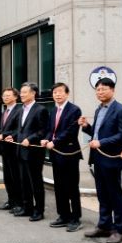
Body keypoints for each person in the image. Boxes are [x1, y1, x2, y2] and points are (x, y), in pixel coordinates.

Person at [79, 77, 122, 243]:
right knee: (102, 194)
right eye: (98, 89)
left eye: (103, 89)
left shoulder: (121, 110)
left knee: (115, 195)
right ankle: (104, 226)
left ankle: (118, 230)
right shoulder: (99, 109)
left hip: (112, 159)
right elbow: (97, 133)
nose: (100, 92)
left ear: (112, 90)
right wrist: (86, 127)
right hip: (98, 158)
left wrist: (102, 142)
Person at [41, 83, 83, 232]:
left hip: (69, 153)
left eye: (60, 92)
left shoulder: (74, 110)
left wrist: (55, 142)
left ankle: (75, 218)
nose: (57, 95)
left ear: (67, 93)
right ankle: (63, 215)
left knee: (71, 186)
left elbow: (71, 131)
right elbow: (50, 130)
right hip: (55, 153)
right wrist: (46, 139)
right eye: (55, 92)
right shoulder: (53, 110)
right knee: (59, 186)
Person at [8, 82, 48, 222]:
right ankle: (27, 207)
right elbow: (19, 130)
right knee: (24, 181)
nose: (22, 95)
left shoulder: (41, 110)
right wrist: (12, 136)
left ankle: (39, 210)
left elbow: (43, 131)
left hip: (34, 152)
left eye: (25, 92)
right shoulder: (21, 110)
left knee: (35, 182)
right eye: (21, 92)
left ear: (33, 93)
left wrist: (30, 139)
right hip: (21, 150)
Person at [0, 87, 23, 213]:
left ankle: (19, 203)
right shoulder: (5, 111)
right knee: (8, 177)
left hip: (14, 148)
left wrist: (3, 135)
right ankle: (11, 200)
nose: (5, 97)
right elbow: (3, 128)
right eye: (4, 95)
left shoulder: (19, 110)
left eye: (8, 95)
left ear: (16, 97)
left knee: (16, 177)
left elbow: (18, 129)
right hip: (5, 149)